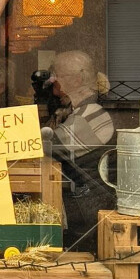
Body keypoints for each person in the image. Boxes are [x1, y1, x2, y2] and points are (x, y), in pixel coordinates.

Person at [41, 50, 115, 249]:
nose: (55, 91)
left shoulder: (88, 115)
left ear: (77, 80)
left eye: (57, 81)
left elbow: (45, 148)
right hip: (86, 211)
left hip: (89, 218)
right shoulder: (81, 111)